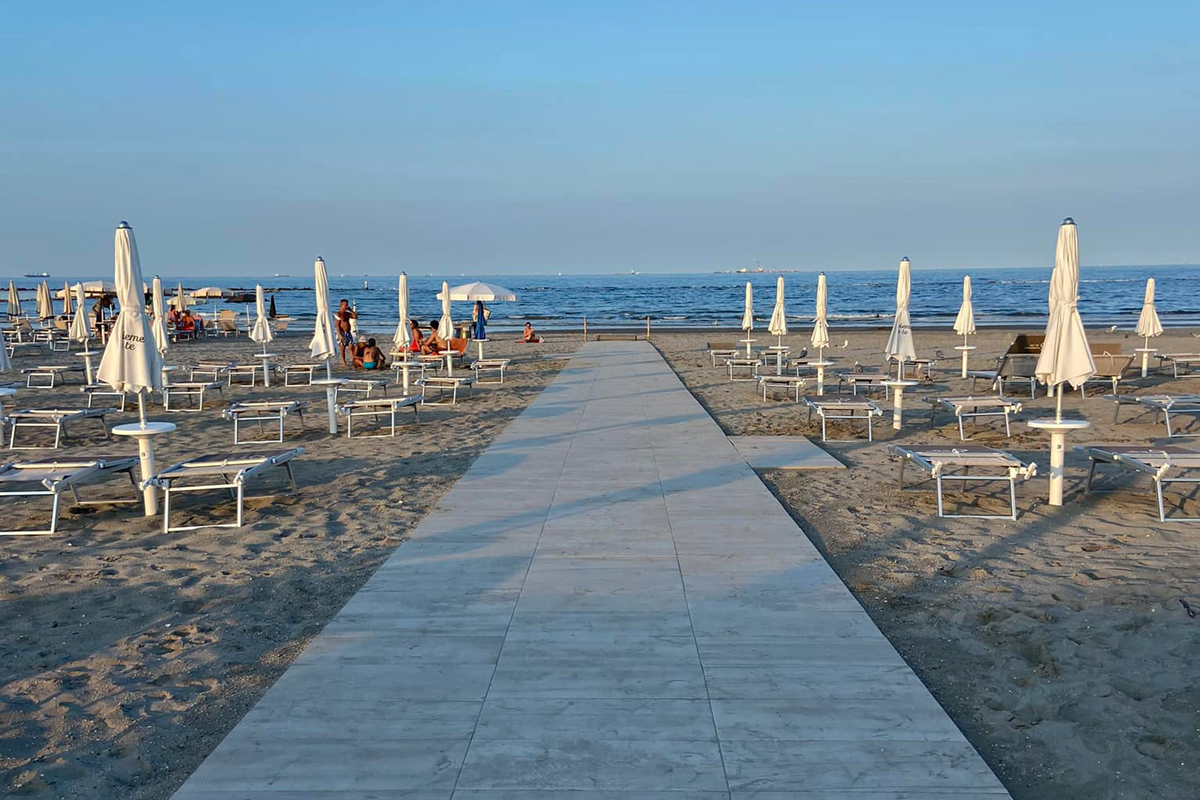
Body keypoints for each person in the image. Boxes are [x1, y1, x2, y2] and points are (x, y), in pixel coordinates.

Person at [336, 299, 357, 366]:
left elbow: (355, 317)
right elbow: (337, 325)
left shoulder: (347, 313)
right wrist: (340, 334)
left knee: (351, 346)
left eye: (347, 305)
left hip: (348, 332)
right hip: (343, 332)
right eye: (345, 305)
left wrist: (351, 310)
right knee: (343, 347)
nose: (346, 306)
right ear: (341, 305)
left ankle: (353, 359)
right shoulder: (339, 314)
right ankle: (344, 362)